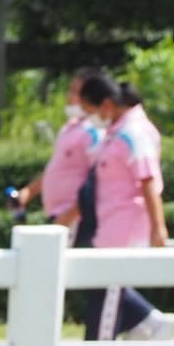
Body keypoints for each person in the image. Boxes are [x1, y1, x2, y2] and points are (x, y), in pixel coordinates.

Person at [80, 74, 174, 341]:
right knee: (103, 291)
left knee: (106, 299)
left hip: (123, 229)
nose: (89, 118)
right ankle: (149, 321)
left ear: (107, 104)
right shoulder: (117, 132)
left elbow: (147, 180)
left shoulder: (133, 133)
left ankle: (145, 324)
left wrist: (158, 228)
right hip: (109, 228)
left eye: (90, 111)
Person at [13, 67, 106, 244]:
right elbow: (56, 169)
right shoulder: (69, 128)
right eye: (70, 91)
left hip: (76, 221)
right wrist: (28, 192)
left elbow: (97, 181)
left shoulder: (94, 132)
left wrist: (71, 214)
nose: (69, 97)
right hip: (59, 218)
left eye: (76, 92)